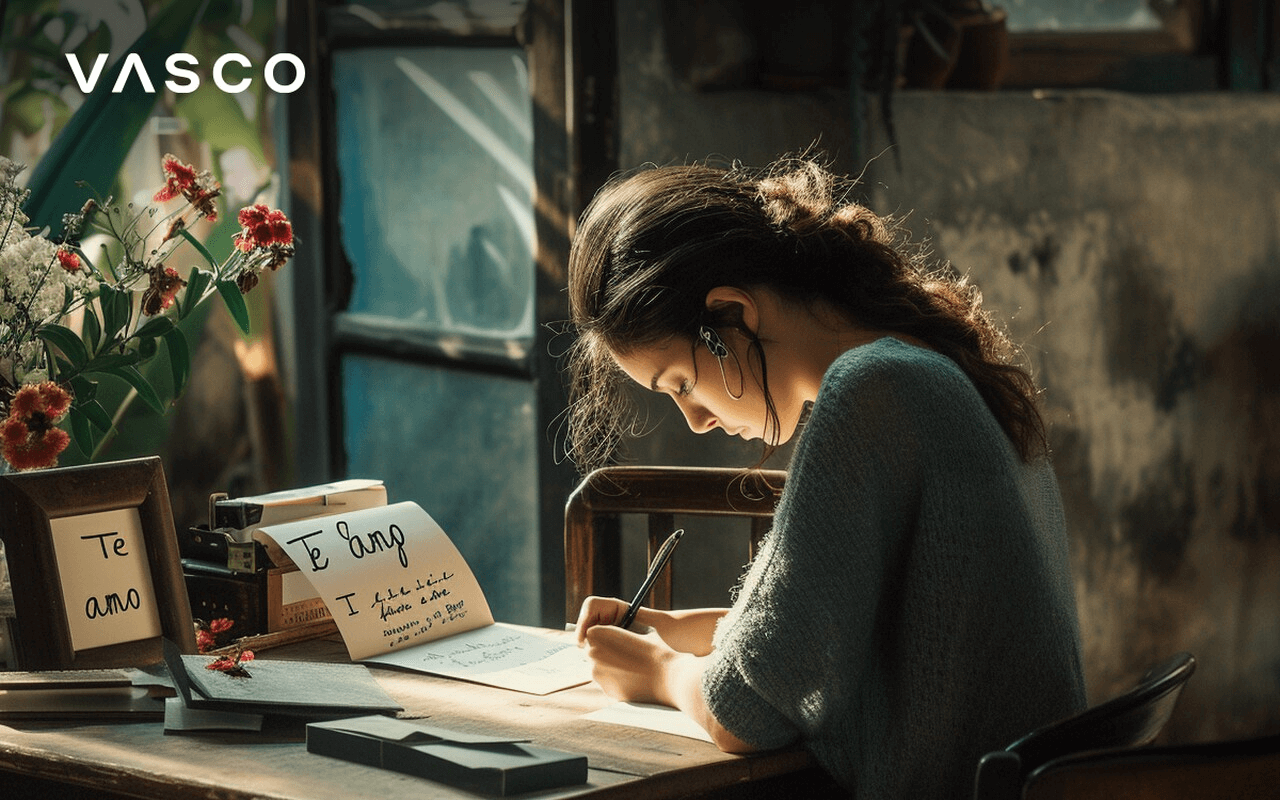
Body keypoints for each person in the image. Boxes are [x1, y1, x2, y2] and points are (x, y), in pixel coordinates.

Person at [563, 156, 1086, 800]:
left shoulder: (873, 391)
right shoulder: (932, 365)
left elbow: (746, 713)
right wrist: (677, 630)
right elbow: (829, 633)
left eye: (682, 384)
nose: (695, 420)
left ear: (734, 315)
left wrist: (660, 672)